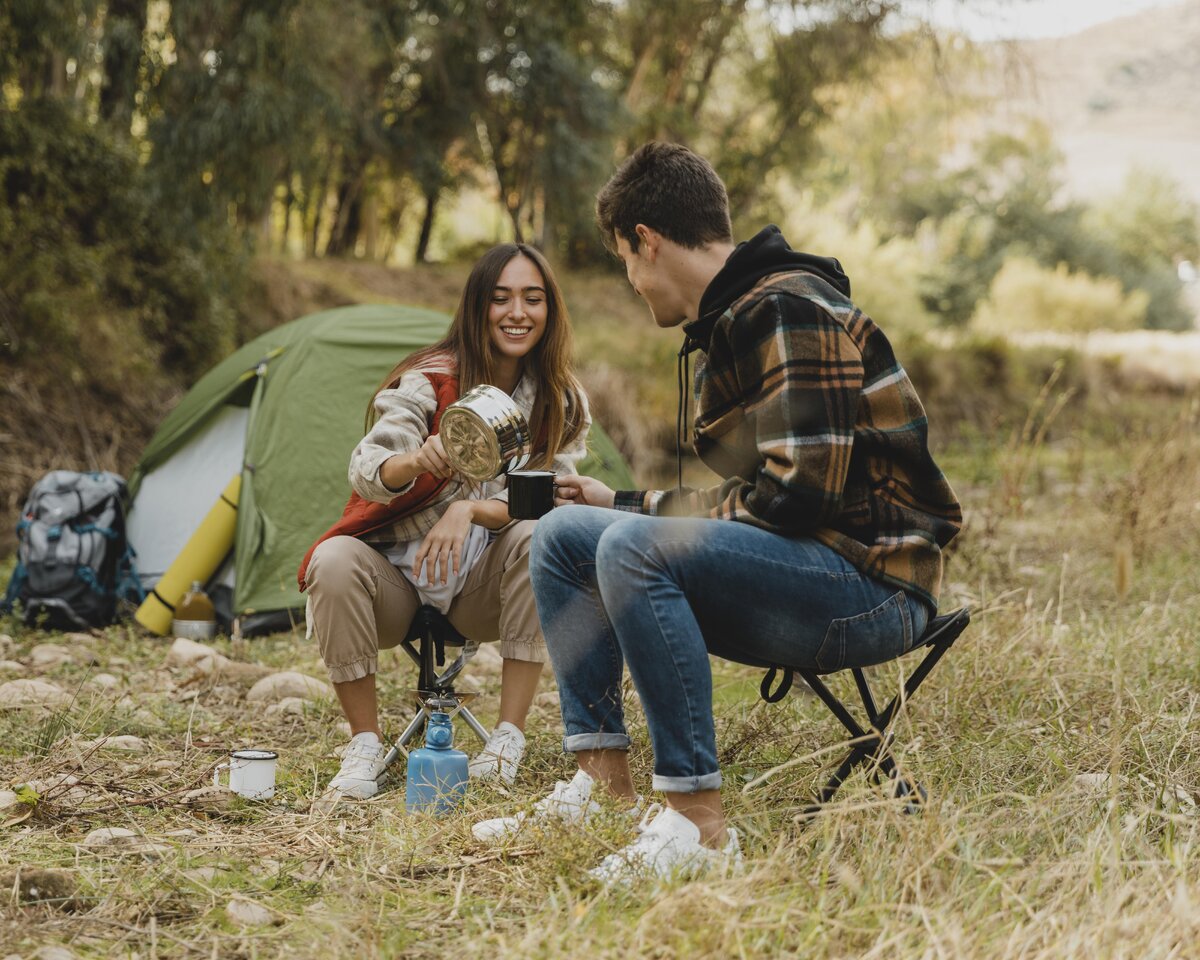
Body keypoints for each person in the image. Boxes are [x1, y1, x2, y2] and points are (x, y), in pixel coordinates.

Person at [473, 142, 962, 882]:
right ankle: (603, 786)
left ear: (648, 241)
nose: (634, 284)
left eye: (628, 263)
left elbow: (798, 497)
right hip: (811, 563)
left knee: (634, 548)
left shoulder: (785, 307)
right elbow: (768, 499)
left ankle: (698, 829)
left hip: (871, 586)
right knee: (571, 534)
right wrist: (625, 502)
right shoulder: (739, 317)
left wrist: (644, 520)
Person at [299, 243, 590, 799]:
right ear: (478, 306)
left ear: (550, 311)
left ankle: (507, 740)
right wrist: (415, 460)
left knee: (542, 534)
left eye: (533, 299)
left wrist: (471, 507)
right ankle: (363, 746)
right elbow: (366, 467)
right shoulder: (428, 379)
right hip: (398, 583)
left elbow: (556, 497)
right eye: (501, 298)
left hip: (483, 587)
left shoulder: (560, 400)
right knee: (332, 560)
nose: (517, 313)